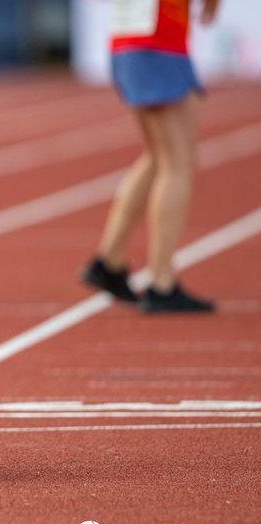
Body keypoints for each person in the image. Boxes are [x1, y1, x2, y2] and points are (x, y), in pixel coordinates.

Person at [81, 0, 218, 313]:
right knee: (177, 163)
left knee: (160, 156)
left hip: (129, 40)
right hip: (158, 42)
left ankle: (110, 260)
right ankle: (161, 281)